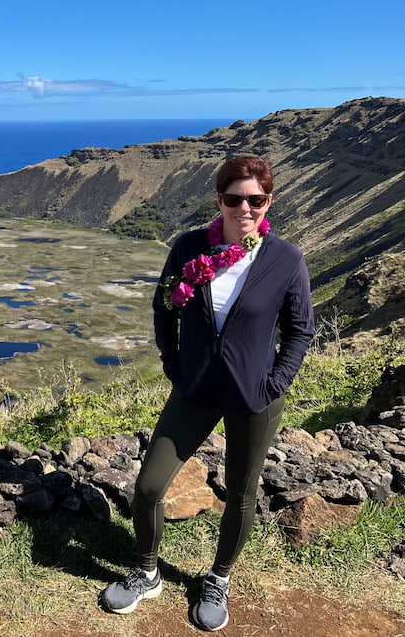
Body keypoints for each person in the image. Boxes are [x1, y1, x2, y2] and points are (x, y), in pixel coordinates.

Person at [100, 156, 315, 631]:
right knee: (150, 485)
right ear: (219, 200)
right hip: (194, 389)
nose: (245, 208)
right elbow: (164, 305)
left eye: (255, 199)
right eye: (234, 198)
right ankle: (147, 570)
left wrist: (275, 383)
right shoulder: (188, 247)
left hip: (253, 398)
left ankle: (219, 577)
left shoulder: (286, 260)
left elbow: (301, 331)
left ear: (268, 201)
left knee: (241, 493)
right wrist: (174, 364)